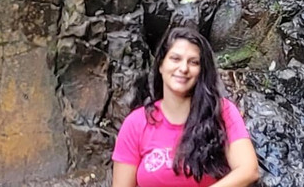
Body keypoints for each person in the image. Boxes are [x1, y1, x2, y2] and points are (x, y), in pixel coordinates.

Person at [111, 25, 261, 187]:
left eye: (193, 62)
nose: (183, 68)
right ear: (161, 64)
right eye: (175, 59)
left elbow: (248, 170)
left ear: (201, 71)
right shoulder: (136, 123)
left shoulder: (221, 112)